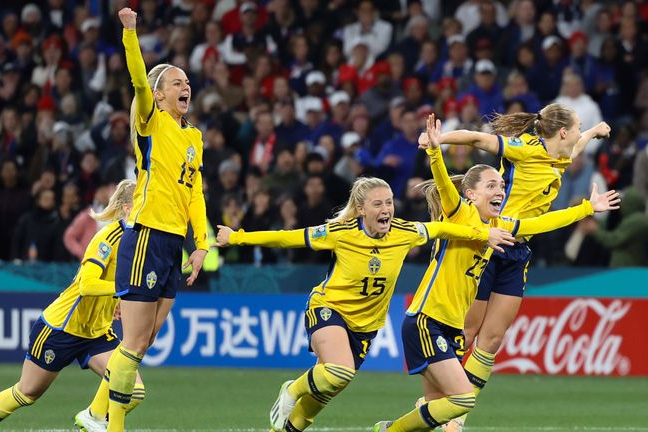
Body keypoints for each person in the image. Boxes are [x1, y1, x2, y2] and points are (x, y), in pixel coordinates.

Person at [372, 115, 620, 432]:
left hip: (515, 245)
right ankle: (443, 406)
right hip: (486, 241)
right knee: (468, 332)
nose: (501, 188)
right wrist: (438, 142)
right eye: (494, 185)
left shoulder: (562, 155)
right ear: (561, 132)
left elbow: (541, 222)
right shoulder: (524, 150)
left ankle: (454, 416)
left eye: (500, 184)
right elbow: (477, 140)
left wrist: (596, 135)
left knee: (492, 339)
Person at [215, 176, 516, 432]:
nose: (386, 209)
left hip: (366, 327)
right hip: (328, 308)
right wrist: (238, 237)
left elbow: (442, 229)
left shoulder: (404, 232)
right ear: (360, 209)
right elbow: (287, 238)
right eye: (378, 204)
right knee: (339, 371)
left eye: (389, 202)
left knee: (325, 393)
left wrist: (482, 233)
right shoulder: (340, 233)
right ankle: (291, 389)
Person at [0, 181, 142, 432]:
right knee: (28, 392)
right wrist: (122, 291)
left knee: (132, 390)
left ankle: (93, 417)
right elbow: (87, 285)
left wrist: (114, 302)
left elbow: (116, 283)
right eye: (144, 201)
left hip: (97, 331)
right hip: (62, 327)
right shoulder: (108, 237)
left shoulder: (140, 242)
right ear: (127, 208)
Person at [105, 8, 210, 431]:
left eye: (187, 81)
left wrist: (201, 244)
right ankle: (111, 423)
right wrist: (131, 34)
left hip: (173, 244)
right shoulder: (151, 122)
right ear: (159, 94)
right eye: (176, 82)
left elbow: (195, 194)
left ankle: (97, 411)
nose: (186, 86)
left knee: (143, 342)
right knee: (132, 342)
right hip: (148, 235)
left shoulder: (193, 137)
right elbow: (136, 78)